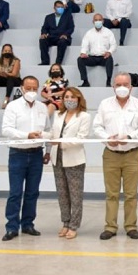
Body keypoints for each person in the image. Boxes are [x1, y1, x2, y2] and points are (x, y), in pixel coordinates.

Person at [93, 73, 138, 240]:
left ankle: (131, 226)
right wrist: (106, 139)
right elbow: (97, 126)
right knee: (111, 193)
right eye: (118, 84)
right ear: (113, 86)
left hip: (132, 155)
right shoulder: (105, 104)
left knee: (131, 194)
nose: (122, 87)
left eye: (126, 84)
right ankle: (110, 226)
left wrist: (130, 137)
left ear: (131, 87)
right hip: (111, 154)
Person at [1, 76, 51, 241]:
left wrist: (48, 150)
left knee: (32, 192)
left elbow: (48, 130)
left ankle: (28, 224)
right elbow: (6, 130)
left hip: (37, 153)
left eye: (34, 88)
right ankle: (12, 227)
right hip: (18, 153)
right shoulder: (13, 106)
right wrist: (26, 135)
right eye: (28, 88)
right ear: (22, 88)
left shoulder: (43, 107)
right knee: (15, 192)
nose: (31, 91)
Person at [47, 87, 90, 240]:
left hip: (74, 160)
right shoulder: (59, 115)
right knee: (62, 194)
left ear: (79, 99)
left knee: (75, 195)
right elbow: (52, 133)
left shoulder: (84, 116)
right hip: (57, 158)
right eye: (66, 97)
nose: (69, 99)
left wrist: (61, 143)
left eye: (72, 97)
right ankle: (65, 222)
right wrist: (42, 135)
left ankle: (74, 225)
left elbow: (81, 137)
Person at [78, 13, 117, 87]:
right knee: (80, 59)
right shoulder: (89, 33)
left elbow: (113, 45)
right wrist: (83, 53)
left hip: (104, 57)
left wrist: (109, 52)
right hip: (92, 58)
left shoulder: (108, 32)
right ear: (93, 21)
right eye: (96, 20)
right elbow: (85, 45)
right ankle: (85, 81)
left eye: (100, 20)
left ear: (103, 21)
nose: (98, 21)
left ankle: (108, 81)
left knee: (110, 59)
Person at [39, 0, 75, 65]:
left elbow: (71, 28)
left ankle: (58, 63)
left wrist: (65, 34)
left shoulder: (68, 17)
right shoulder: (48, 17)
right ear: (54, 8)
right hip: (52, 37)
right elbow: (44, 27)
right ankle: (45, 61)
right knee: (42, 40)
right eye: (58, 7)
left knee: (62, 41)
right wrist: (43, 34)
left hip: (63, 37)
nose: (60, 9)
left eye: (62, 7)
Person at [0, 44, 21, 108]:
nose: (7, 52)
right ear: (2, 52)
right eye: (5, 50)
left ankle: (6, 100)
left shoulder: (16, 60)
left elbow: (14, 74)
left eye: (9, 51)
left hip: (14, 80)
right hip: (3, 79)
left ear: (11, 52)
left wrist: (5, 73)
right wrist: (0, 73)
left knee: (10, 78)